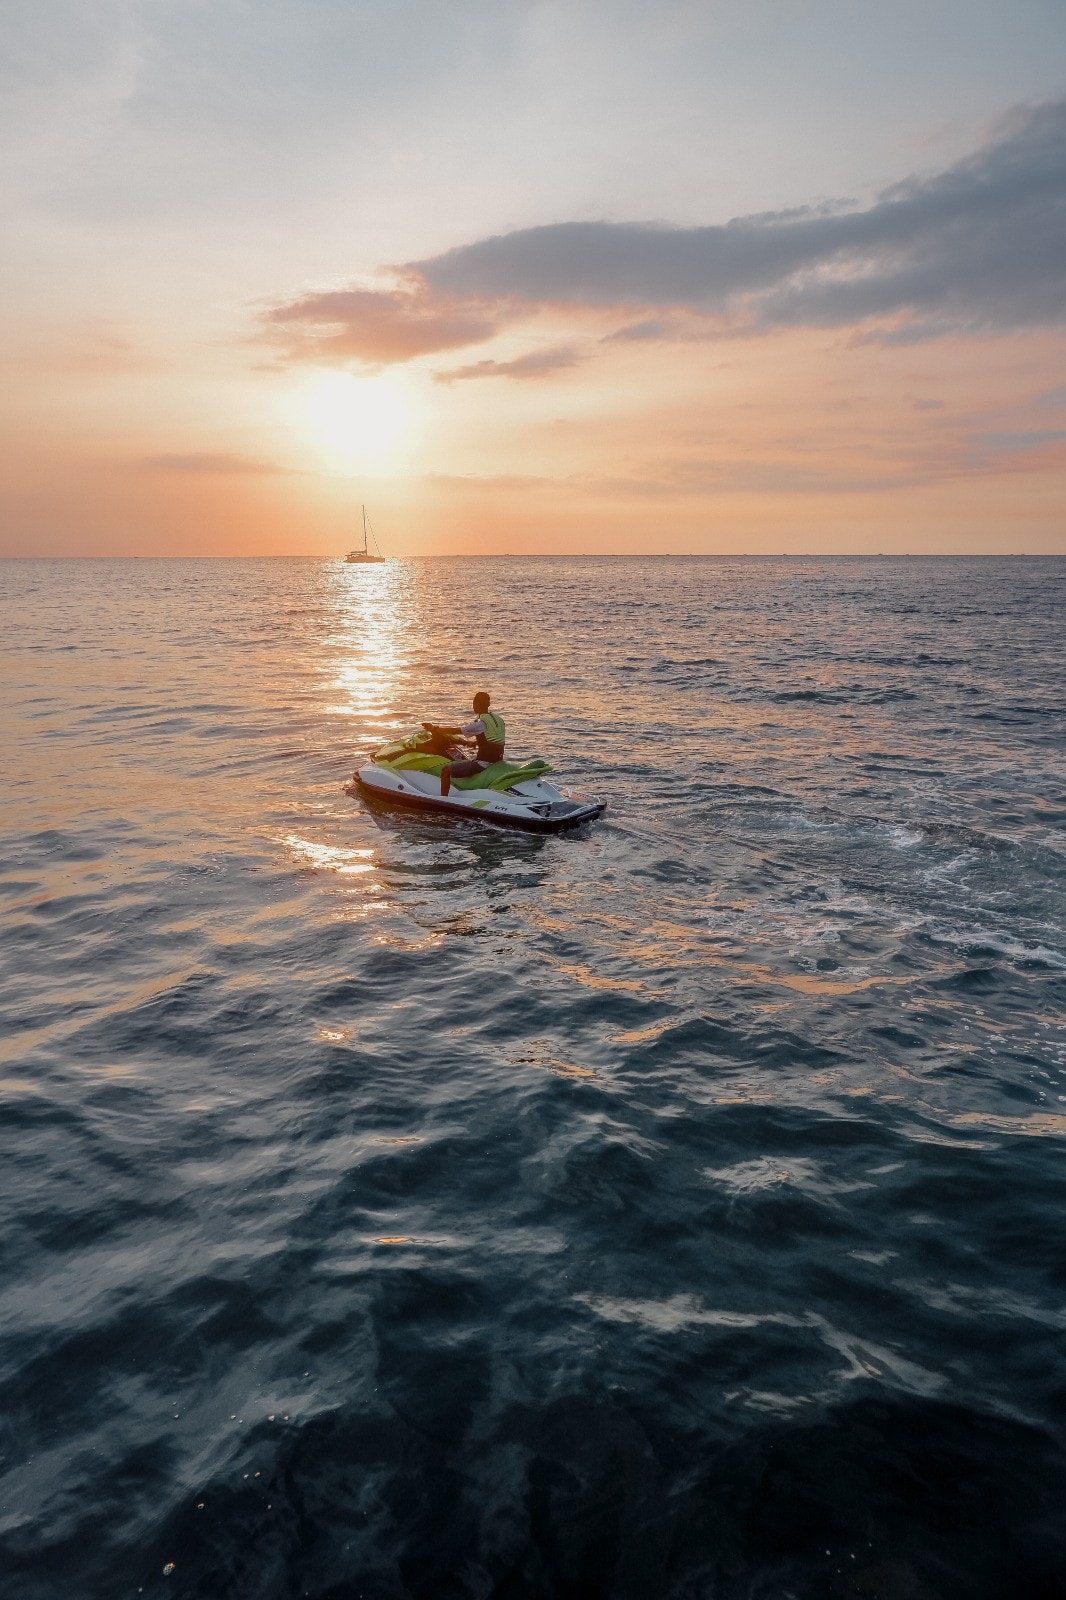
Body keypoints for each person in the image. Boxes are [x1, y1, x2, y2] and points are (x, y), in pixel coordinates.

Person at [440, 692, 505, 797]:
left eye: (474, 702)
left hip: (483, 764)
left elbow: (458, 730)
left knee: (445, 770)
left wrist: (436, 729)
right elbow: (493, 738)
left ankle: (443, 800)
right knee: (467, 759)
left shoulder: (480, 723)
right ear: (488, 704)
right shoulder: (498, 719)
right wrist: (474, 743)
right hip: (497, 761)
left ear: (476, 704)